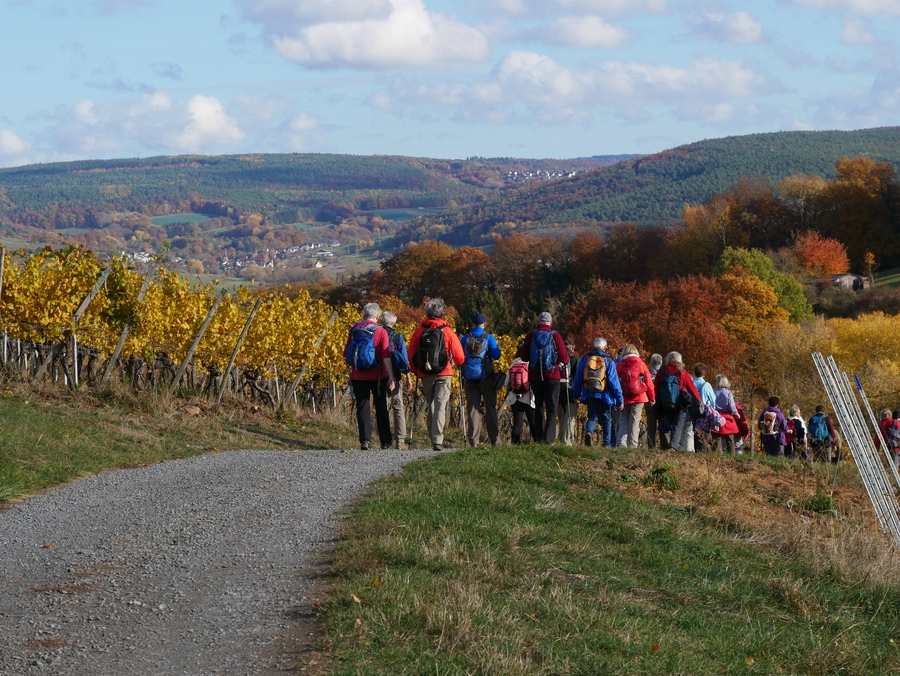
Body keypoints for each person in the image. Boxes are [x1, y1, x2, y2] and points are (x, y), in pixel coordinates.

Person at [408, 298, 465, 452]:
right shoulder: (447, 331)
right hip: (444, 373)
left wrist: (415, 370)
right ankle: (437, 440)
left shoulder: (419, 331)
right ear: (441, 313)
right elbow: (460, 357)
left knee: (431, 405)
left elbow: (411, 354)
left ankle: (432, 436)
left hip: (426, 374)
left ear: (427, 313)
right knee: (440, 406)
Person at [344, 302, 395, 450]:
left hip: (358, 375)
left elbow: (346, 353)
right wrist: (391, 375)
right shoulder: (381, 332)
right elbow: (385, 355)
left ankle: (365, 440)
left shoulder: (354, 330)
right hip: (378, 375)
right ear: (378, 316)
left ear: (363, 314)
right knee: (380, 406)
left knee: (362, 406)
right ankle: (385, 441)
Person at [516, 312, 569, 443]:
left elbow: (524, 357)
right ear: (550, 323)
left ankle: (539, 437)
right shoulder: (555, 335)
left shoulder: (531, 335)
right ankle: (549, 438)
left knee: (539, 405)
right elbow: (564, 357)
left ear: (538, 322)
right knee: (551, 408)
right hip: (552, 376)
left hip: (535, 376)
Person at [459, 312, 502, 448]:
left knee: (472, 409)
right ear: (484, 324)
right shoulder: (489, 338)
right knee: (491, 408)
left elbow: (460, 357)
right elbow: (497, 356)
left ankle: (474, 441)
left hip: (470, 378)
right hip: (487, 378)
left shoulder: (465, 339)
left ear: (472, 324)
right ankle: (495, 440)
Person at [572, 337, 623, 447]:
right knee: (606, 418)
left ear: (594, 346)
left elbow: (578, 378)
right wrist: (619, 399)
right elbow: (614, 382)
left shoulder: (585, 358)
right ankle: (607, 443)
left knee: (592, 416)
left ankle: (589, 432)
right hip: (606, 394)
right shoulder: (609, 360)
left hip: (589, 392)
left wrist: (576, 394)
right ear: (605, 347)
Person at [653, 351, 701, 451]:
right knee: (677, 423)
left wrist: (654, 399)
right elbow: (691, 387)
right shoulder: (682, 371)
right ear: (679, 360)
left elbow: (656, 386)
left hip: (665, 401)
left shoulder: (662, 370)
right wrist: (698, 399)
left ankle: (673, 445)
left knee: (669, 422)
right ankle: (674, 446)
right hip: (680, 401)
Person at [380, 311, 413, 449]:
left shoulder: (376, 334)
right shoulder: (397, 336)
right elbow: (404, 360)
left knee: (382, 407)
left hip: (379, 376)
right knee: (398, 406)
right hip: (396, 376)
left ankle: (385, 440)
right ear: (393, 323)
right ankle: (400, 441)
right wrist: (408, 377)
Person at [615, 344, 655, 448]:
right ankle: (632, 445)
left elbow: (614, 382)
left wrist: (616, 397)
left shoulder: (620, 364)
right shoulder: (641, 363)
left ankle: (622, 443)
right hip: (639, 397)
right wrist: (652, 397)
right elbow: (649, 382)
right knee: (634, 421)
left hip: (625, 397)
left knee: (625, 421)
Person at [502, 358, 538, 444]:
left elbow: (506, 383)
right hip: (528, 397)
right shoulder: (531, 364)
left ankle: (516, 442)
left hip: (514, 398)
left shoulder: (513, 364)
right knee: (533, 421)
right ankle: (538, 441)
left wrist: (512, 391)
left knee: (517, 421)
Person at [557, 339, 580, 446]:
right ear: (573, 347)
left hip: (557, 392)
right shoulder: (575, 359)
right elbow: (578, 377)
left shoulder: (557, 357)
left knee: (561, 418)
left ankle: (561, 440)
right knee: (569, 418)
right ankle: (567, 442)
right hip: (571, 392)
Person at [711, 374, 740, 453]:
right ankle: (732, 457)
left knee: (716, 440)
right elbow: (732, 406)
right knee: (730, 440)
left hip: (716, 417)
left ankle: (715, 456)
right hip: (727, 418)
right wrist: (736, 413)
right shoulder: (728, 393)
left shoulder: (713, 391)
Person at [692, 363, 716, 452]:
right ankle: (702, 451)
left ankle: (694, 450)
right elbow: (713, 400)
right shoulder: (706, 385)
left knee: (693, 433)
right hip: (703, 412)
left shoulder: (691, 382)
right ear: (704, 373)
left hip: (692, 412)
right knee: (703, 435)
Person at [645, 353, 663, 449]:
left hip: (649, 402)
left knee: (651, 427)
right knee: (662, 425)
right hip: (662, 402)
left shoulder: (647, 373)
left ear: (651, 362)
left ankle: (651, 446)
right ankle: (664, 445)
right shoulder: (664, 373)